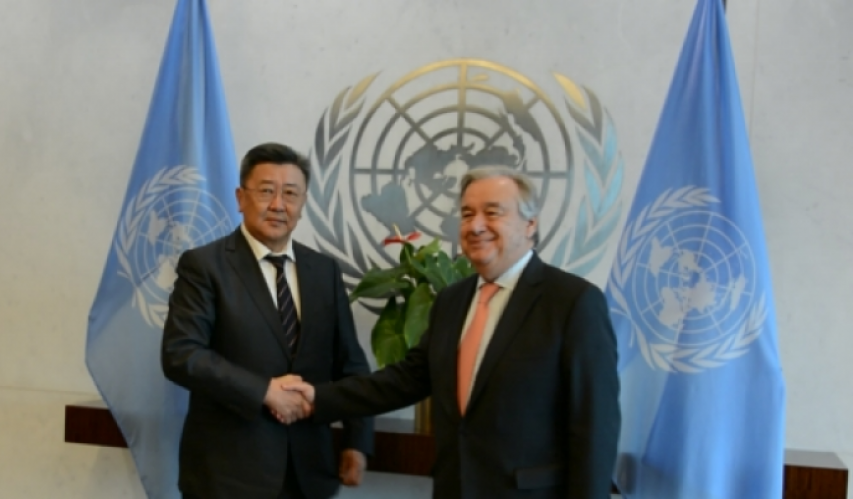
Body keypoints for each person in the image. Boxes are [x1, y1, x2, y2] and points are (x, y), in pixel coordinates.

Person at [286, 166, 620, 499]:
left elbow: (594, 427)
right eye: (467, 214)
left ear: (530, 224)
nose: (476, 226)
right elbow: (406, 380)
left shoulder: (572, 302)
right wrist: (318, 398)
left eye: (492, 212)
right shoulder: (451, 300)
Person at [161, 142, 374, 499]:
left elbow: (351, 364)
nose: (278, 204)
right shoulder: (205, 266)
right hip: (228, 476)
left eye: (290, 193)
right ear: (240, 198)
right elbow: (182, 355)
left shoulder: (324, 271)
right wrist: (264, 391)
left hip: (310, 474)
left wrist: (358, 440)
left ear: (303, 203)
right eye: (266, 191)